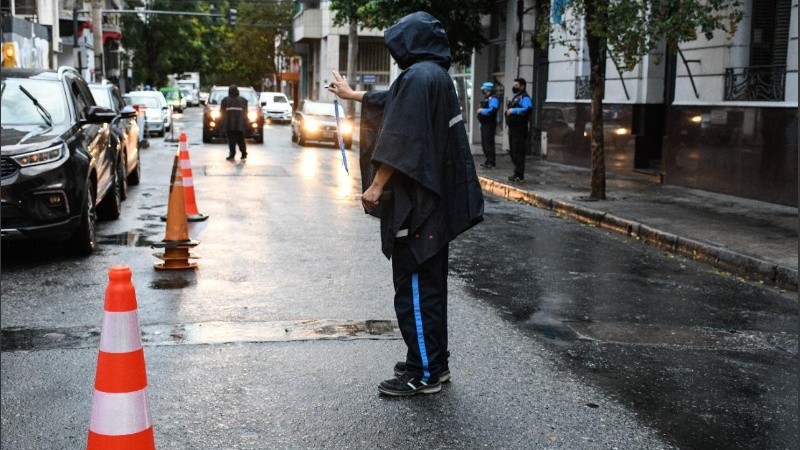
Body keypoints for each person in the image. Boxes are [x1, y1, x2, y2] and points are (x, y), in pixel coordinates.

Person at [327, 11, 484, 397]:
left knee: (414, 289)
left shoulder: (417, 78)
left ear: (409, 42)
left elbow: (401, 138)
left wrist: (376, 186)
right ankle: (433, 361)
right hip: (436, 205)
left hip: (418, 208)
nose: (395, 52)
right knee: (429, 289)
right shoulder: (433, 76)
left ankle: (424, 373)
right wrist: (354, 95)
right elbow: (392, 103)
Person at [505, 77, 532, 182]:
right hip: (513, 128)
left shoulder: (525, 98)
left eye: (516, 85)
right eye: (514, 85)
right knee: (513, 151)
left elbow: (528, 109)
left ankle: (519, 175)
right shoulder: (516, 97)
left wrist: (514, 110)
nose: (514, 87)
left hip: (520, 129)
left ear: (522, 86)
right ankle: (516, 173)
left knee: (518, 151)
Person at [221, 85, 248, 161]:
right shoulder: (243, 100)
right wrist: (245, 123)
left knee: (231, 140)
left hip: (229, 124)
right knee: (241, 139)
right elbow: (246, 113)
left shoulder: (225, 101)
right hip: (240, 124)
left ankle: (232, 154)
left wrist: (222, 124)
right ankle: (243, 153)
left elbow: (222, 113)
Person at [476, 81, 499, 168]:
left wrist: (482, 111)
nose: (483, 91)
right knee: (484, 143)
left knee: (488, 143)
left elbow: (492, 110)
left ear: (487, 89)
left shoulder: (494, 98)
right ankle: (488, 160)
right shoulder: (487, 98)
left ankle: (491, 161)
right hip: (484, 124)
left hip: (489, 124)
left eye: (484, 89)